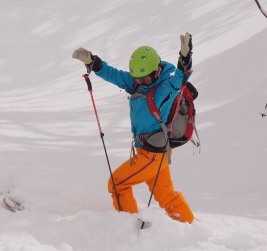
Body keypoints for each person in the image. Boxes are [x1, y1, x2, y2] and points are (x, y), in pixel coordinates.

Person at [71, 33, 195, 223]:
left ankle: (127, 229)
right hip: (155, 153)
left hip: (152, 154)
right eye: (137, 78)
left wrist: (185, 57)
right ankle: (189, 227)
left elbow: (181, 77)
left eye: (144, 79)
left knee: (117, 184)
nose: (139, 82)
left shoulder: (165, 86)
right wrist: (94, 63)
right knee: (167, 196)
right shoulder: (138, 84)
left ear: (156, 71)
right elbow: (115, 74)